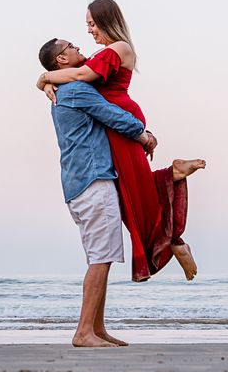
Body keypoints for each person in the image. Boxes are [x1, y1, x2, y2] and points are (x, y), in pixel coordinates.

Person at [37, 0, 206, 282]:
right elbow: (74, 74)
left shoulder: (118, 48)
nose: (89, 31)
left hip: (118, 119)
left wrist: (43, 77)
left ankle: (174, 240)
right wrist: (45, 81)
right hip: (112, 121)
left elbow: (78, 75)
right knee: (130, 190)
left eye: (91, 23)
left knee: (133, 191)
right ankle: (172, 185)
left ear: (105, 20)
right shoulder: (99, 55)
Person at [38, 37, 157, 347]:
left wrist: (44, 80)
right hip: (94, 183)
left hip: (78, 184)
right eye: (71, 47)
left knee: (99, 256)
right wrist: (144, 135)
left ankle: (97, 329)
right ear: (62, 61)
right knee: (100, 259)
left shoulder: (63, 89)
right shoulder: (77, 90)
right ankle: (83, 332)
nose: (79, 48)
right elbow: (113, 116)